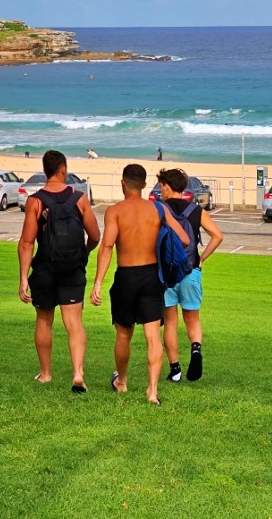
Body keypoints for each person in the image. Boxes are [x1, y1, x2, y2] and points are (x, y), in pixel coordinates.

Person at [91, 164, 190, 406]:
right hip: (150, 276)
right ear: (145, 184)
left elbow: (106, 247)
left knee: (124, 334)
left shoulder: (114, 211)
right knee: (152, 336)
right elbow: (185, 239)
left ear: (123, 183)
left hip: (126, 275)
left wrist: (97, 283)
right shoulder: (158, 209)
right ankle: (152, 391)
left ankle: (122, 381)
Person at [17, 150, 100, 393]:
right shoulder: (79, 198)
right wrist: (82, 253)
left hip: (44, 268)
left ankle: (45, 374)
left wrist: (23, 277)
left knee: (44, 320)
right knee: (74, 322)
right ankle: (77, 373)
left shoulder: (36, 201)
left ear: (45, 171)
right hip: (73, 269)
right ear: (63, 170)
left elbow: (26, 242)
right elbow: (95, 236)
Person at [156, 168, 224, 383]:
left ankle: (175, 369)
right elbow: (217, 236)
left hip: (167, 274)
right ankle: (195, 350)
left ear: (167, 186)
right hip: (190, 270)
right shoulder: (195, 211)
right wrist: (201, 259)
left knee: (170, 322)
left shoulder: (160, 209)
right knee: (192, 318)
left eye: (161, 187)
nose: (160, 191)